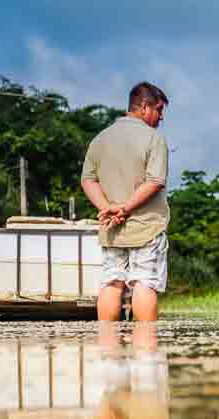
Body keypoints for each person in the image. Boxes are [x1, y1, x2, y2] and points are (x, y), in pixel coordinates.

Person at [81, 82, 170, 321]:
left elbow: (88, 179)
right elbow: (155, 181)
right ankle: (145, 343)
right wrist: (125, 209)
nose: (161, 117)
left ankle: (107, 343)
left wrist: (107, 209)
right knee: (145, 283)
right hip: (146, 227)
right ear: (144, 107)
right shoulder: (154, 138)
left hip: (111, 227)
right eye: (159, 110)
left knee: (111, 283)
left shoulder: (100, 139)